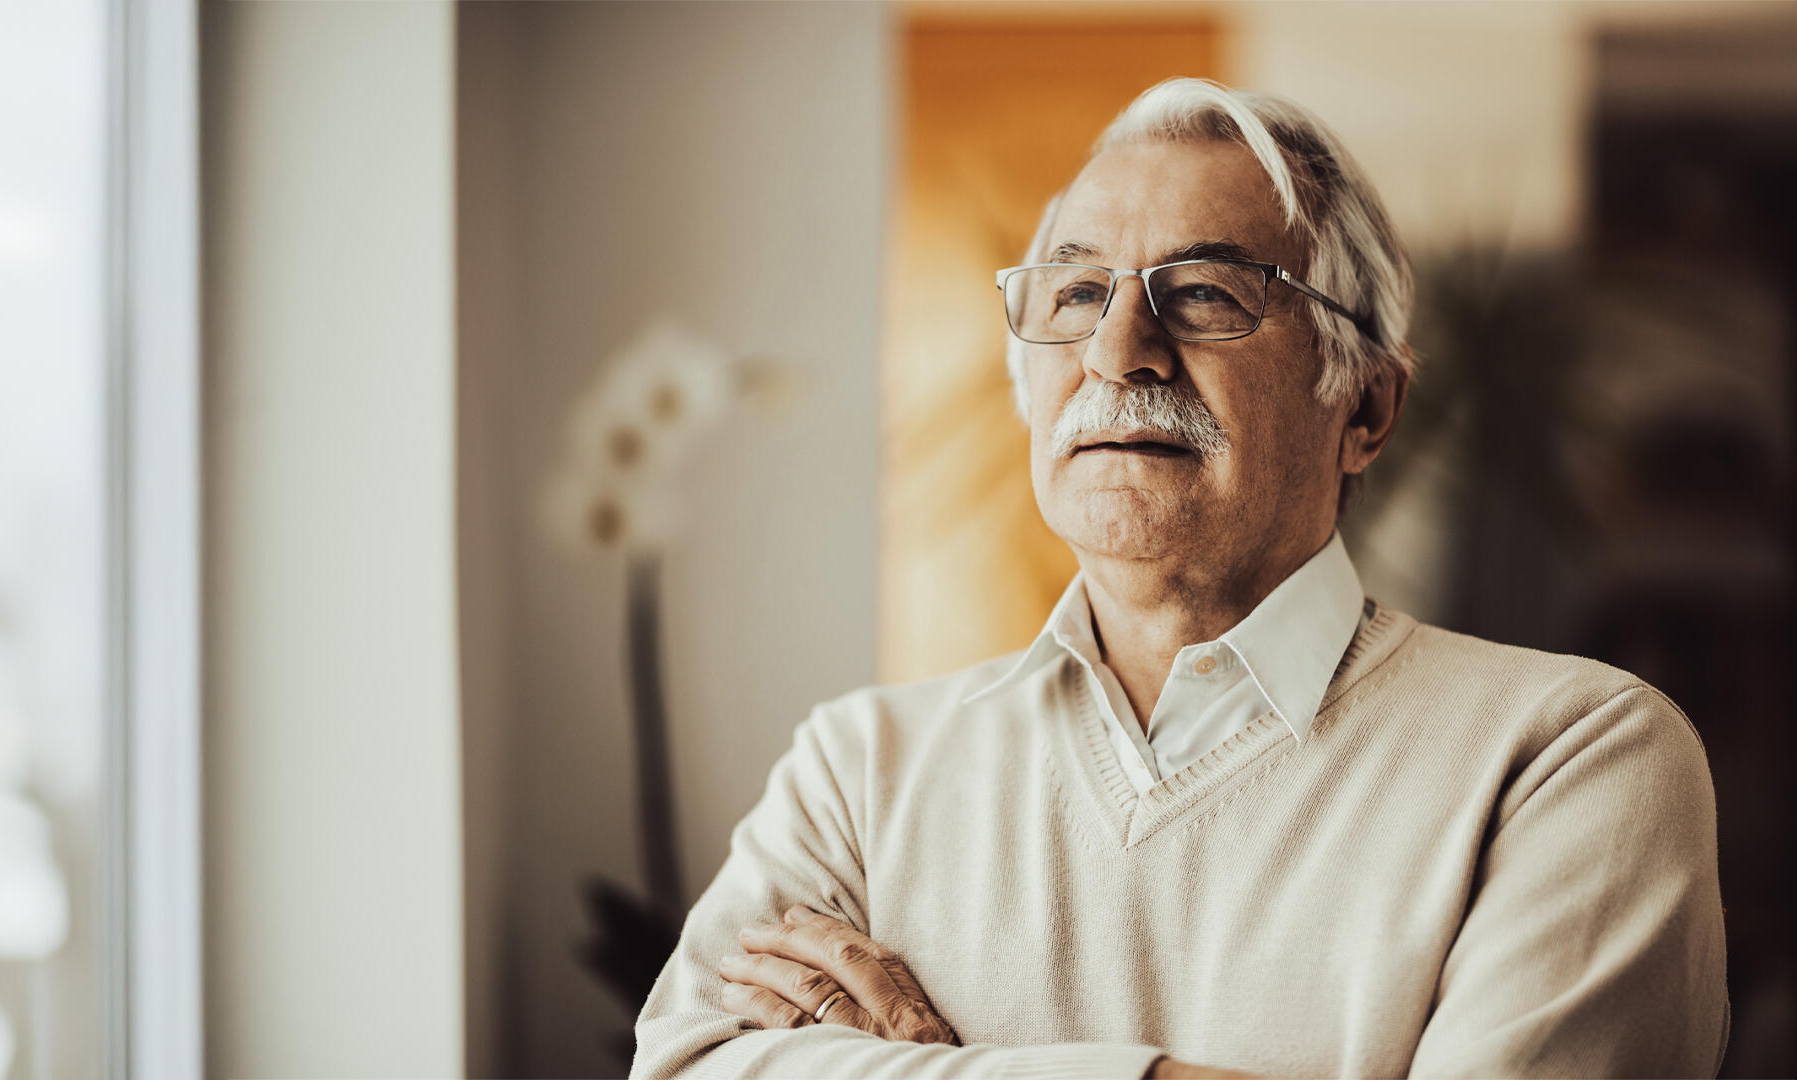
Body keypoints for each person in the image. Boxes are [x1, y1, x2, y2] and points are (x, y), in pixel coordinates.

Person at [629, 77, 1729, 1079]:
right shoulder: (858, 773)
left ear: (1366, 409)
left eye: (1204, 292)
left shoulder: (1572, 760)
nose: (1118, 353)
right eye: (1074, 296)